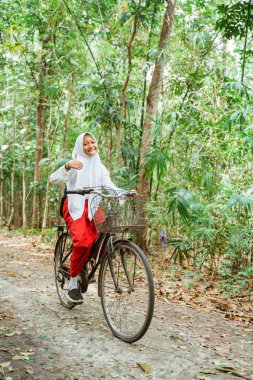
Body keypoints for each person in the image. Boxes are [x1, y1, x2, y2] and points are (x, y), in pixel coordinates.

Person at [50, 132, 125, 304]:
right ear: (79, 147)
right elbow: (53, 179)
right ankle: (73, 283)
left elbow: (108, 185)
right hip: (75, 205)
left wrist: (123, 193)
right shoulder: (76, 164)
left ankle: (85, 264)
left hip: (94, 206)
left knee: (107, 240)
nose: (90, 146)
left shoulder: (99, 165)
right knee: (83, 242)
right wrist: (67, 166)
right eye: (85, 144)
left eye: (93, 142)